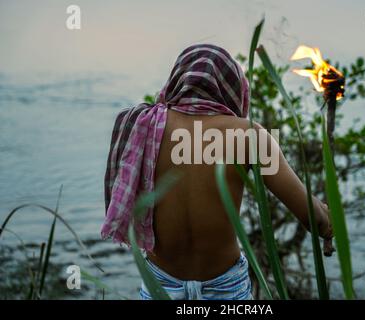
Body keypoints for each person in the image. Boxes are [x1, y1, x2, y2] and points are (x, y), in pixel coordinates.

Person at [101, 44, 333, 300]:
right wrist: (328, 221)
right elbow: (313, 219)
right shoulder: (249, 135)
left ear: (178, 80)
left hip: (160, 286)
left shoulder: (146, 126)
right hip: (224, 289)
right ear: (232, 87)